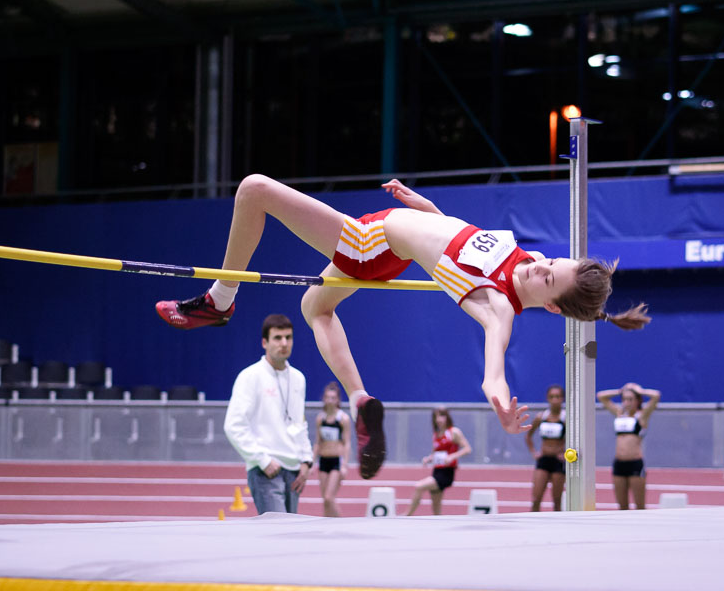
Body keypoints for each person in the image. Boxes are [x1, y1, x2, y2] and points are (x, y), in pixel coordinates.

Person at [157, 175, 650, 478]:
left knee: (254, 189)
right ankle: (359, 399)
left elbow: (493, 371)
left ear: (553, 309)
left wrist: (500, 402)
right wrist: (424, 206)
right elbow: (458, 237)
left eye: (546, 279)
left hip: (369, 242)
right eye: (552, 262)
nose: (538, 267)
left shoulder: (498, 307)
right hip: (393, 248)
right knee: (315, 309)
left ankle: (220, 300)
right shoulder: (527, 259)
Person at [223, 313, 313, 515]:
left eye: (288, 338)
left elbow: (299, 422)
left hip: (295, 471)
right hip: (266, 471)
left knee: (290, 537)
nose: (284, 343)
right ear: (265, 342)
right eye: (277, 338)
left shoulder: (298, 378)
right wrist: (262, 460)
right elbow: (233, 425)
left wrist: (306, 461)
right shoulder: (250, 376)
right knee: (277, 538)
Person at [597, 382, 660, 510]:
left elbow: (656, 396)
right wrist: (621, 391)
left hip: (635, 463)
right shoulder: (619, 414)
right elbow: (601, 396)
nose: (627, 402)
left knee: (640, 507)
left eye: (631, 399)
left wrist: (639, 391)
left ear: (637, 401)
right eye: (625, 399)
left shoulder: (642, 416)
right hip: (619, 464)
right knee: (622, 507)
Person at [406, 407, 471, 516]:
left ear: (447, 417)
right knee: (436, 507)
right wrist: (429, 458)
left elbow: (467, 449)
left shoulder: (454, 432)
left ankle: (407, 515)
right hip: (436, 470)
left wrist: (452, 456)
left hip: (446, 473)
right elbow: (435, 452)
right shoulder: (436, 434)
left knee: (419, 486)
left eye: (441, 416)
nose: (438, 419)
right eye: (436, 417)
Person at [525, 384, 567, 512]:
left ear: (563, 399)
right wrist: (534, 452)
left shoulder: (566, 418)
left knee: (557, 502)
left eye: (558, 397)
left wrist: (565, 453)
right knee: (536, 499)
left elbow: (576, 440)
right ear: (548, 398)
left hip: (558, 462)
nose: (555, 400)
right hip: (543, 460)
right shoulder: (541, 417)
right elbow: (528, 436)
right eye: (552, 397)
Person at [311, 382, 351, 517]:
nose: (330, 400)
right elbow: (318, 442)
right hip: (323, 460)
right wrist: (311, 462)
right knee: (325, 500)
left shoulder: (342, 419)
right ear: (324, 399)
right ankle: (327, 525)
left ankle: (341, 524)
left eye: (333, 398)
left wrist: (344, 465)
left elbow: (346, 443)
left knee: (329, 497)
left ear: (338, 400)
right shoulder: (320, 418)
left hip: (336, 461)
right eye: (327, 397)